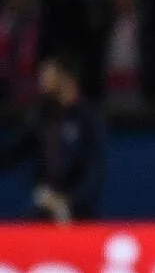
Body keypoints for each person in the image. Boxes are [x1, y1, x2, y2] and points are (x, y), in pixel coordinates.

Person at [0, 53, 104, 222]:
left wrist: (68, 201)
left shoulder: (88, 118)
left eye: (47, 74)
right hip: (44, 208)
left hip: (78, 213)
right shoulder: (42, 115)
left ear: (65, 77)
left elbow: (94, 172)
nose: (41, 80)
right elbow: (14, 151)